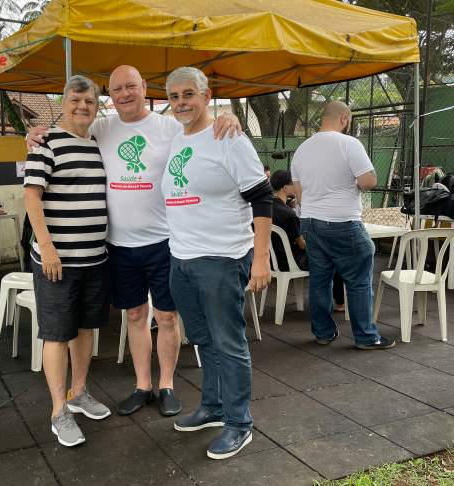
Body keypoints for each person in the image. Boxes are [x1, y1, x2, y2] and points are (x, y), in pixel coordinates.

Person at [26, 66, 241, 417]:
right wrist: (35, 133)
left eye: (131, 86)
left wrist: (226, 117)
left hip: (163, 241)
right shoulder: (100, 127)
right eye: (117, 89)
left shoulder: (169, 127)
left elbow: (201, 127)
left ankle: (166, 385)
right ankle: (142, 385)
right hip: (118, 245)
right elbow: (67, 130)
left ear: (144, 87)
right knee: (136, 314)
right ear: (110, 96)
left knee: (167, 317)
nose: (124, 94)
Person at [162, 67, 272, 460]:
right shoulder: (176, 137)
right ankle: (213, 407)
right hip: (181, 259)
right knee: (204, 339)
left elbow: (262, 196)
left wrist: (261, 258)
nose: (181, 103)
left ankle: (240, 424)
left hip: (222, 258)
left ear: (207, 96)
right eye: (174, 96)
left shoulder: (229, 137)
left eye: (188, 94)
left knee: (228, 342)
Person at [23, 75, 111, 447]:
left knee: (86, 329)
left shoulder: (98, 143)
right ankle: (59, 410)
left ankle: (79, 392)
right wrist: (47, 247)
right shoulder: (46, 143)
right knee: (57, 334)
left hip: (95, 258)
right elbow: (32, 197)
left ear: (96, 106)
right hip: (57, 260)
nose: (82, 106)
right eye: (75, 100)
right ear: (64, 103)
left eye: (89, 101)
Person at [291, 101, 395, 349]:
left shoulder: (302, 149)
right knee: (358, 281)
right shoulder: (349, 143)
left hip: (310, 221)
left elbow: (298, 191)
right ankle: (366, 336)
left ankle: (323, 333)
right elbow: (369, 181)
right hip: (342, 221)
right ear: (345, 118)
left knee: (319, 280)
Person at [270, 170, 345, 310]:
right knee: (333, 259)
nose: (297, 186)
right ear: (285, 188)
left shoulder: (266, 207)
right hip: (291, 261)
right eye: (293, 184)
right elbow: (302, 245)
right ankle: (339, 303)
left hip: (272, 260)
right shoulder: (289, 214)